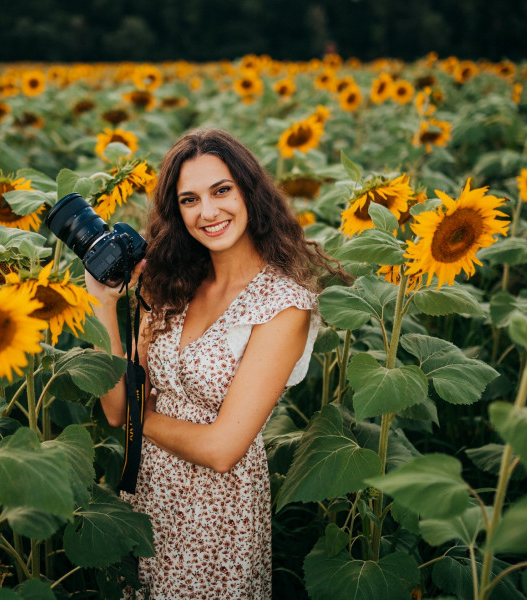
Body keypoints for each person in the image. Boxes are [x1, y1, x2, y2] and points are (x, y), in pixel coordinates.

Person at [85, 128, 349, 599]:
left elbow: (223, 448)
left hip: (216, 517)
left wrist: (138, 419)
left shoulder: (283, 305)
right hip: (146, 498)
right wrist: (105, 304)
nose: (207, 212)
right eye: (189, 199)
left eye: (221, 190)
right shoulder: (170, 284)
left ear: (250, 192)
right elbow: (114, 406)